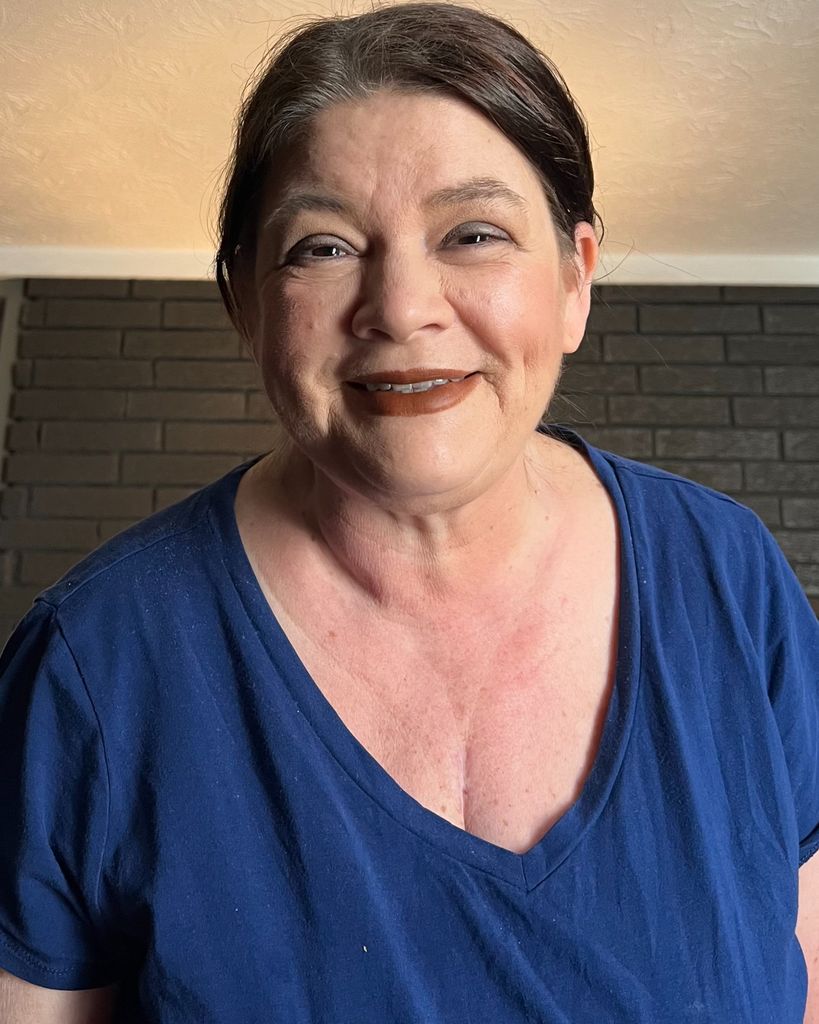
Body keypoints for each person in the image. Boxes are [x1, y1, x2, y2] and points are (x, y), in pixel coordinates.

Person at [1, 2, 818, 1021]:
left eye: (474, 234)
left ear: (574, 279)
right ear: (245, 302)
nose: (400, 307)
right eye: (324, 247)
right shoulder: (92, 664)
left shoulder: (728, 576)